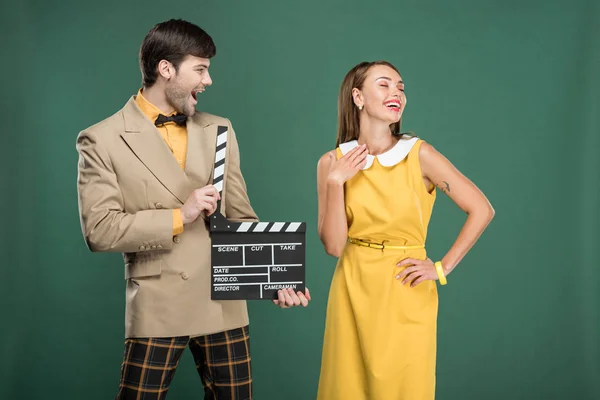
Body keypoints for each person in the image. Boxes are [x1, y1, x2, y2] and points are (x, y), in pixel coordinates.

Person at [76, 19, 310, 400]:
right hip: (157, 303)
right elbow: (99, 230)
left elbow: (241, 219)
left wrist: (274, 279)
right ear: (165, 69)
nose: (208, 80)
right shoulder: (101, 139)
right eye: (200, 69)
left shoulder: (220, 130)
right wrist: (179, 216)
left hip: (223, 301)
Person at [315, 60, 495, 399]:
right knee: (346, 388)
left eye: (400, 86)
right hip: (352, 287)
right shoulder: (331, 163)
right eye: (384, 84)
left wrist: (442, 267)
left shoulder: (420, 154)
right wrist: (336, 182)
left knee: (405, 388)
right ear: (358, 97)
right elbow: (335, 247)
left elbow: (481, 209)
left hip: (405, 287)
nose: (396, 92)